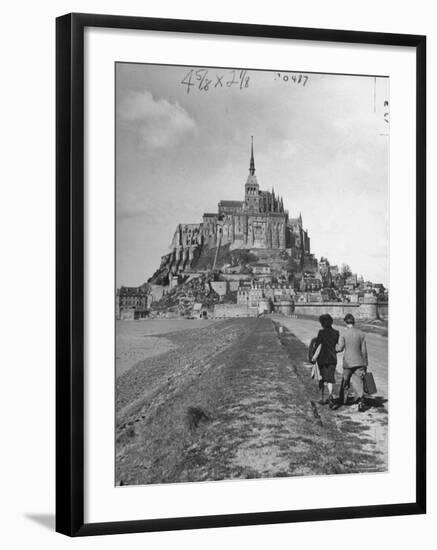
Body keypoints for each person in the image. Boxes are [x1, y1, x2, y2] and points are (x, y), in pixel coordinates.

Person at [336, 313, 368, 412]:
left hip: (348, 362)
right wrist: (365, 363)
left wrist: (333, 346)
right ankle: (360, 400)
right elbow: (364, 351)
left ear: (346, 322)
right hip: (359, 362)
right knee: (358, 382)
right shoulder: (361, 334)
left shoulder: (344, 334)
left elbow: (340, 348)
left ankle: (343, 399)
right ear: (354, 322)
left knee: (345, 380)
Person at [313, 313, 339, 408]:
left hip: (322, 358)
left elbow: (317, 346)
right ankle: (331, 395)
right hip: (332, 358)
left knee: (321, 378)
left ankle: (322, 398)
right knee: (330, 379)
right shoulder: (336, 333)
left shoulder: (321, 332)